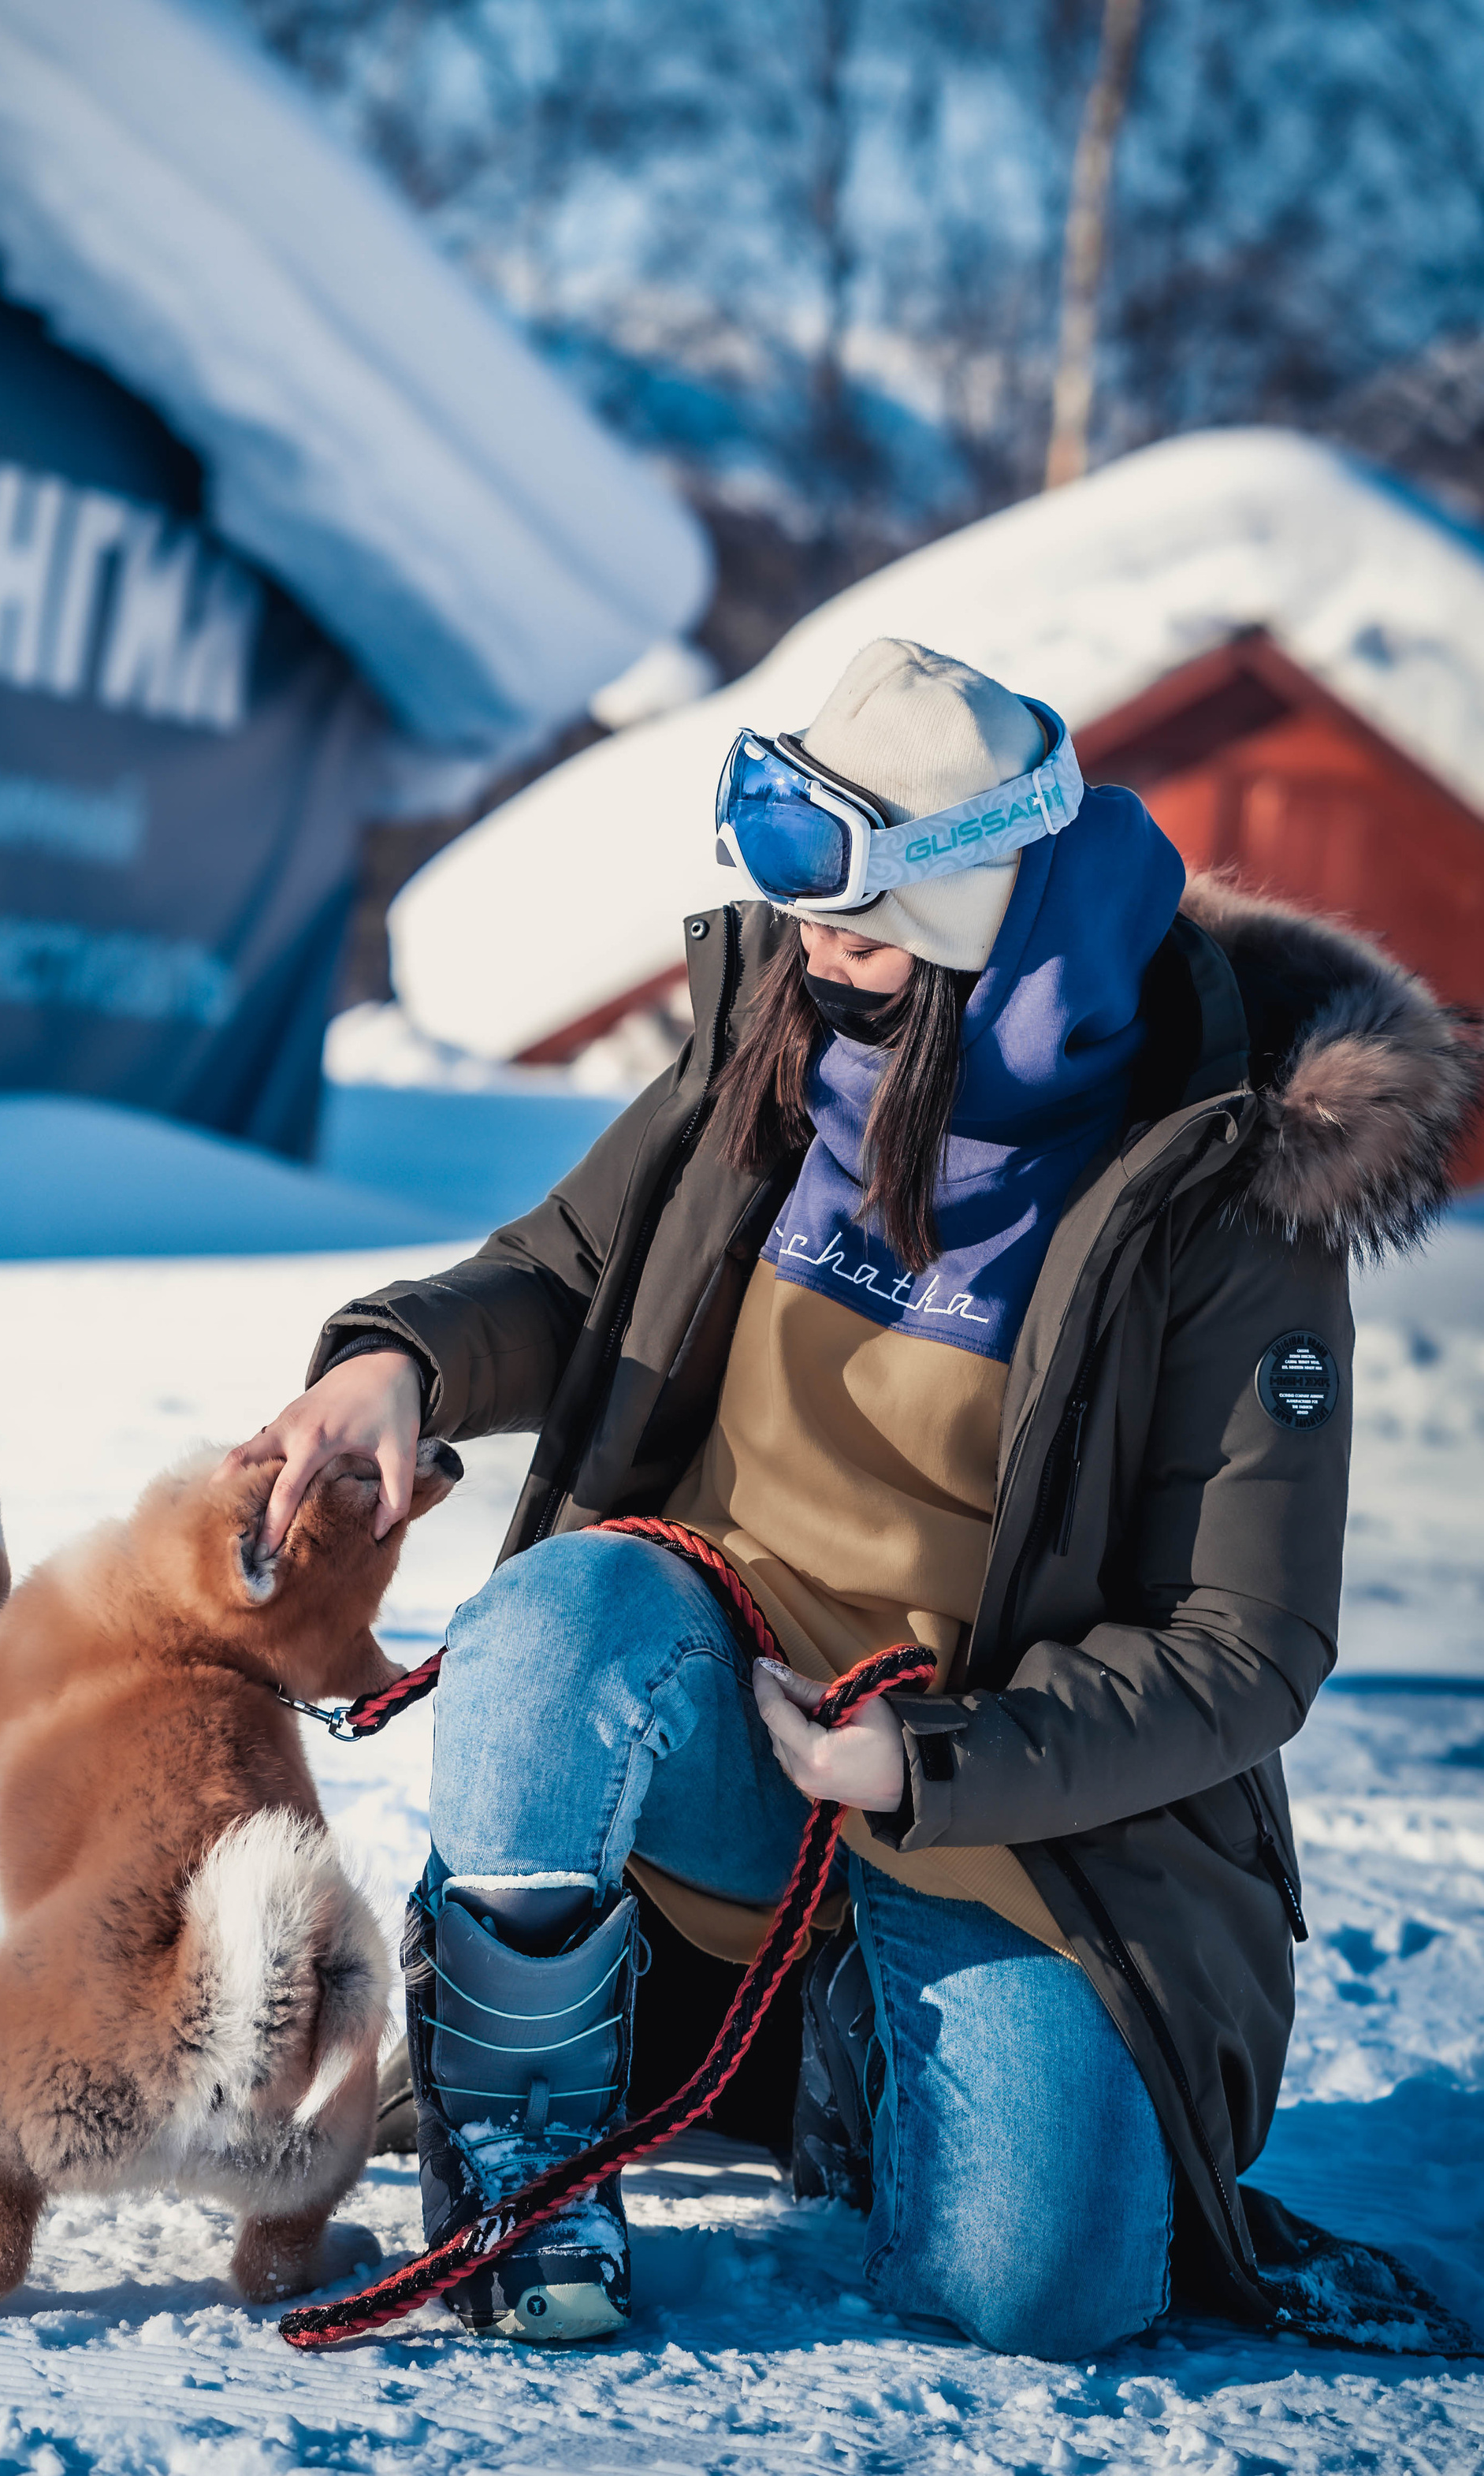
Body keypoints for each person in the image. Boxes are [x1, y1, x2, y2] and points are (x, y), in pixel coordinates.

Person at [232, 639, 1478, 2358]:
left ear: (976, 896)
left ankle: (844, 2053)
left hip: (1006, 1806)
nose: (796, 917)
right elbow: (568, 1270)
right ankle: (521, 2137)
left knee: (1037, 2286)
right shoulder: (787, 1035)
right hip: (724, 1716)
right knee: (558, 1605)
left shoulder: (1214, 1181)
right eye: (775, 855)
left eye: (843, 878)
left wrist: (928, 1761)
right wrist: (404, 1363)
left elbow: (1242, 1645)